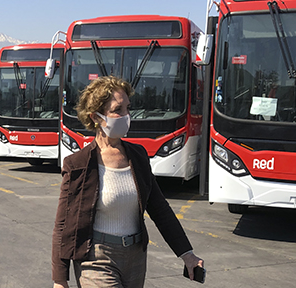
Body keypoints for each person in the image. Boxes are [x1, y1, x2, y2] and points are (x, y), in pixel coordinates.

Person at [52, 76, 204, 288]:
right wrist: (60, 279)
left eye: (127, 108)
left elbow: (160, 208)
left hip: (135, 257)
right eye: (118, 110)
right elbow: (63, 224)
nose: (126, 116)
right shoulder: (77, 165)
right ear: (95, 117)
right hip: (95, 258)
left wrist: (186, 253)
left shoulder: (138, 156)